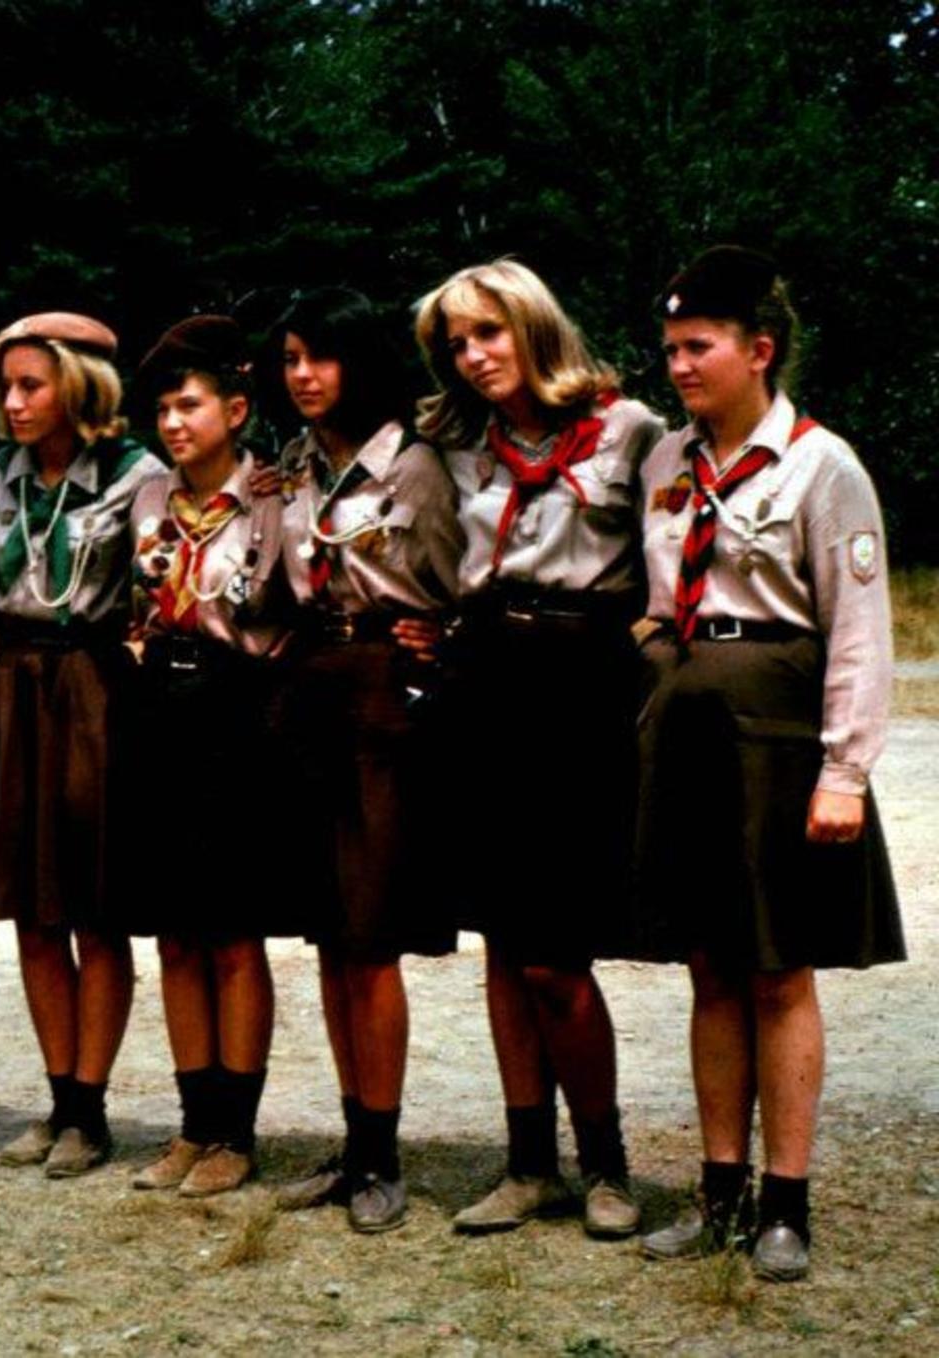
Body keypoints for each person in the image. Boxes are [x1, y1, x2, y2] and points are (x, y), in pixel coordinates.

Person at [633, 246, 902, 1282]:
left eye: (697, 346)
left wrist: (844, 773)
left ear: (759, 349)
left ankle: (785, 1202)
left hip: (780, 737)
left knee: (780, 970)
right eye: (669, 348)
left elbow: (859, 630)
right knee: (708, 966)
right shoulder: (667, 461)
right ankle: (718, 1190)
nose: (679, 366)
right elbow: (657, 594)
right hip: (692, 727)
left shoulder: (821, 465)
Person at [407, 260, 663, 1239]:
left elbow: (672, 558)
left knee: (556, 952)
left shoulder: (629, 431)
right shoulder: (456, 445)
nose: (473, 356)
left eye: (488, 333)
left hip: (579, 683)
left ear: (532, 325)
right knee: (503, 943)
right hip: (485, 679)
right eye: (456, 343)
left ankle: (605, 1165)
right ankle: (527, 1164)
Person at [258, 288, 462, 1232]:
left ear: (362, 363)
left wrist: (442, 641)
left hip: (384, 690)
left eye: (322, 357)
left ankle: (383, 1154)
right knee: (329, 933)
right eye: (292, 358)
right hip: (310, 685)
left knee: (373, 935)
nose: (304, 375)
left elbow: (460, 580)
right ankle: (352, 1141)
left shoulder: (417, 467)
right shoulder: (294, 467)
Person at [0, 312, 165, 1177]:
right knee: (32, 909)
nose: (14, 403)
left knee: (95, 906)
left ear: (78, 386)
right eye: (6, 386)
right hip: (17, 684)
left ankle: (91, 1107)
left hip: (95, 686)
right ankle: (58, 1098)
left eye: (32, 385)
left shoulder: (135, 476)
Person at [121, 317, 288, 1198]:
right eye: (162, 410)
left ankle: (237, 1132)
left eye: (189, 405)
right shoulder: (150, 497)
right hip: (162, 707)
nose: (174, 424)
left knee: (232, 932)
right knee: (175, 932)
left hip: (238, 708)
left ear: (236, 408)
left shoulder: (273, 495)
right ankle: (194, 1122)